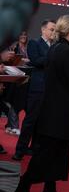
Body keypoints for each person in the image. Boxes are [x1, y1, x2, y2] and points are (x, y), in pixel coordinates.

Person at [11, 15, 69, 192]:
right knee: (47, 154)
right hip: (59, 112)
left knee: (56, 153)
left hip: (53, 108)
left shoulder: (55, 48)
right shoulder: (67, 52)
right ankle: (21, 191)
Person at [12, 20, 56, 161]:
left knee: (42, 121)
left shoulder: (55, 46)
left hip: (50, 89)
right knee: (30, 120)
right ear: (43, 30)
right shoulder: (34, 43)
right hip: (37, 88)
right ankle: (20, 149)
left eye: (55, 30)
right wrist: (53, 57)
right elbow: (36, 61)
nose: (53, 32)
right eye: (51, 29)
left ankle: (34, 147)